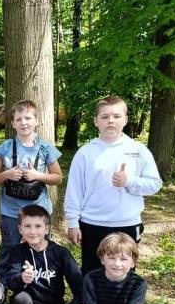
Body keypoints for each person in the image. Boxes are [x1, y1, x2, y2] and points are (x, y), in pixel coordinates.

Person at [64, 95, 162, 275]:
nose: (111, 121)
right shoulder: (85, 153)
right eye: (105, 117)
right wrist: (72, 223)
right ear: (96, 121)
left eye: (116, 116)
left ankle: (123, 296)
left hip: (127, 224)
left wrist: (129, 181)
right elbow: (74, 191)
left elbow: (155, 184)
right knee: (92, 273)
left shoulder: (138, 150)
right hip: (92, 224)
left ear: (125, 120)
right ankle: (90, 296)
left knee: (123, 273)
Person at [0, 100, 63, 279]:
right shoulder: (4, 148)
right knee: (9, 248)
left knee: (40, 248)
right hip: (10, 213)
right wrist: (7, 174)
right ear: (13, 123)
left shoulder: (46, 148)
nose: (24, 122)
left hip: (39, 212)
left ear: (36, 120)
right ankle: (2, 285)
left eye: (28, 118)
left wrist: (38, 175)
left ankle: (41, 283)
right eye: (19, 119)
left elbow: (58, 178)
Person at [5, 205, 85, 304]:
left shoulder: (61, 253)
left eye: (38, 226)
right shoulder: (18, 252)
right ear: (20, 229)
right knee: (20, 299)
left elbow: (80, 290)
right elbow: (10, 282)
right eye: (27, 226)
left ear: (47, 229)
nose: (33, 231)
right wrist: (22, 278)